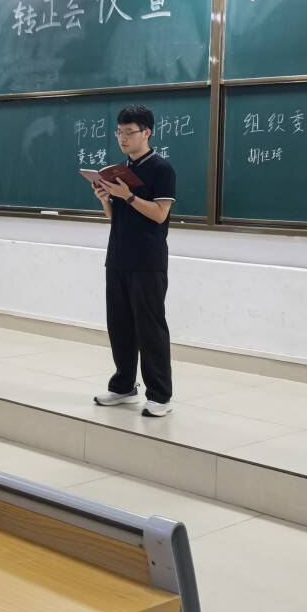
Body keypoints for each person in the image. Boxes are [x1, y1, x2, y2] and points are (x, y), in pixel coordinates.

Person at [89, 105, 177, 418]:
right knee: (120, 326)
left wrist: (127, 195)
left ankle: (160, 396)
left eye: (129, 132)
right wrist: (106, 199)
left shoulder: (161, 168)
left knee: (150, 328)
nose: (123, 138)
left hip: (147, 260)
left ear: (147, 133)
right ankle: (124, 387)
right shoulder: (119, 170)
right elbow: (116, 217)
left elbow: (160, 214)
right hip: (118, 257)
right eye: (119, 132)